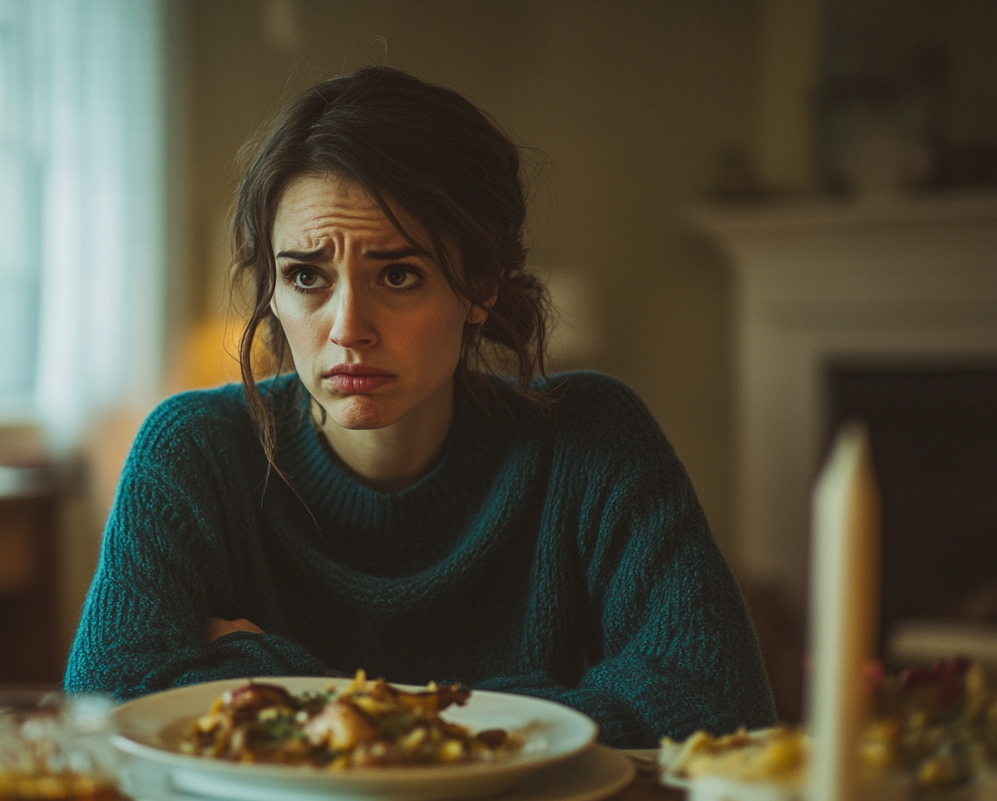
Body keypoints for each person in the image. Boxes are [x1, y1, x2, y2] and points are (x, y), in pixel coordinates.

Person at [64, 65, 775, 748]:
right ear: (271, 293)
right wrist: (517, 717)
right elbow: (104, 710)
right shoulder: (194, 449)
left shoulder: (590, 439)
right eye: (307, 276)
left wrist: (278, 680)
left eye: (398, 274)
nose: (347, 328)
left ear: (481, 287)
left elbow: (713, 705)